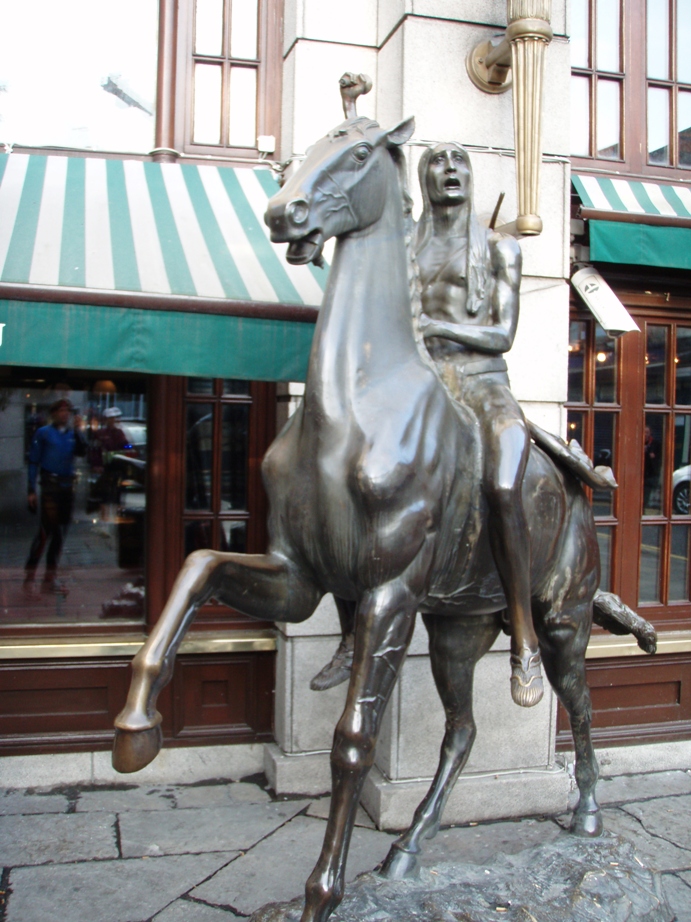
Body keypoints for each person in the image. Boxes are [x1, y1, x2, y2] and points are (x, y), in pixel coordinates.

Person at [24, 398, 87, 594]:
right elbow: (33, 461)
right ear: (53, 413)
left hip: (67, 488)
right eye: (60, 411)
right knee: (47, 531)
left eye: (67, 411)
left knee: (60, 534)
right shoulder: (43, 433)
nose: (64, 414)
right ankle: (30, 575)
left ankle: (49, 579)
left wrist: (79, 431)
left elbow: (82, 451)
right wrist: (31, 489)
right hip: (50, 487)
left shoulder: (71, 434)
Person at [90, 407, 130, 522]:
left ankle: (118, 517)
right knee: (104, 494)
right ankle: (104, 519)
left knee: (119, 492)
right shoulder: (100, 434)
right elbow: (95, 450)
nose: (112, 421)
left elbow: (126, 445)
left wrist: (129, 447)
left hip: (117, 466)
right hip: (104, 467)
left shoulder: (119, 433)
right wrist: (96, 464)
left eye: (114, 418)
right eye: (110, 418)